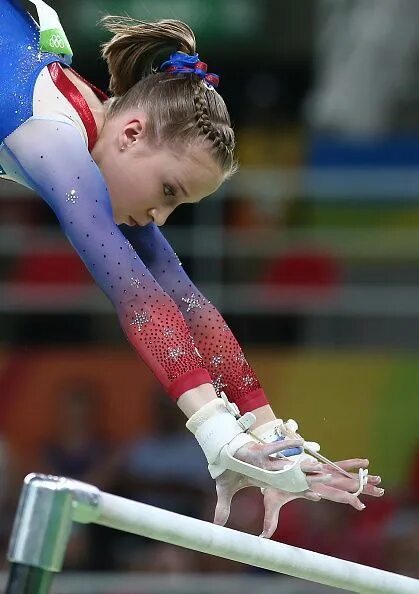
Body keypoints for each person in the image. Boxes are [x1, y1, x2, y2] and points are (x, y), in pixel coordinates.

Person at [0, 0, 383, 539]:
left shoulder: (101, 139)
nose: (159, 217)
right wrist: (217, 433)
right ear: (132, 133)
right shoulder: (55, 138)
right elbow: (135, 293)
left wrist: (271, 438)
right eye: (168, 192)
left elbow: (183, 296)